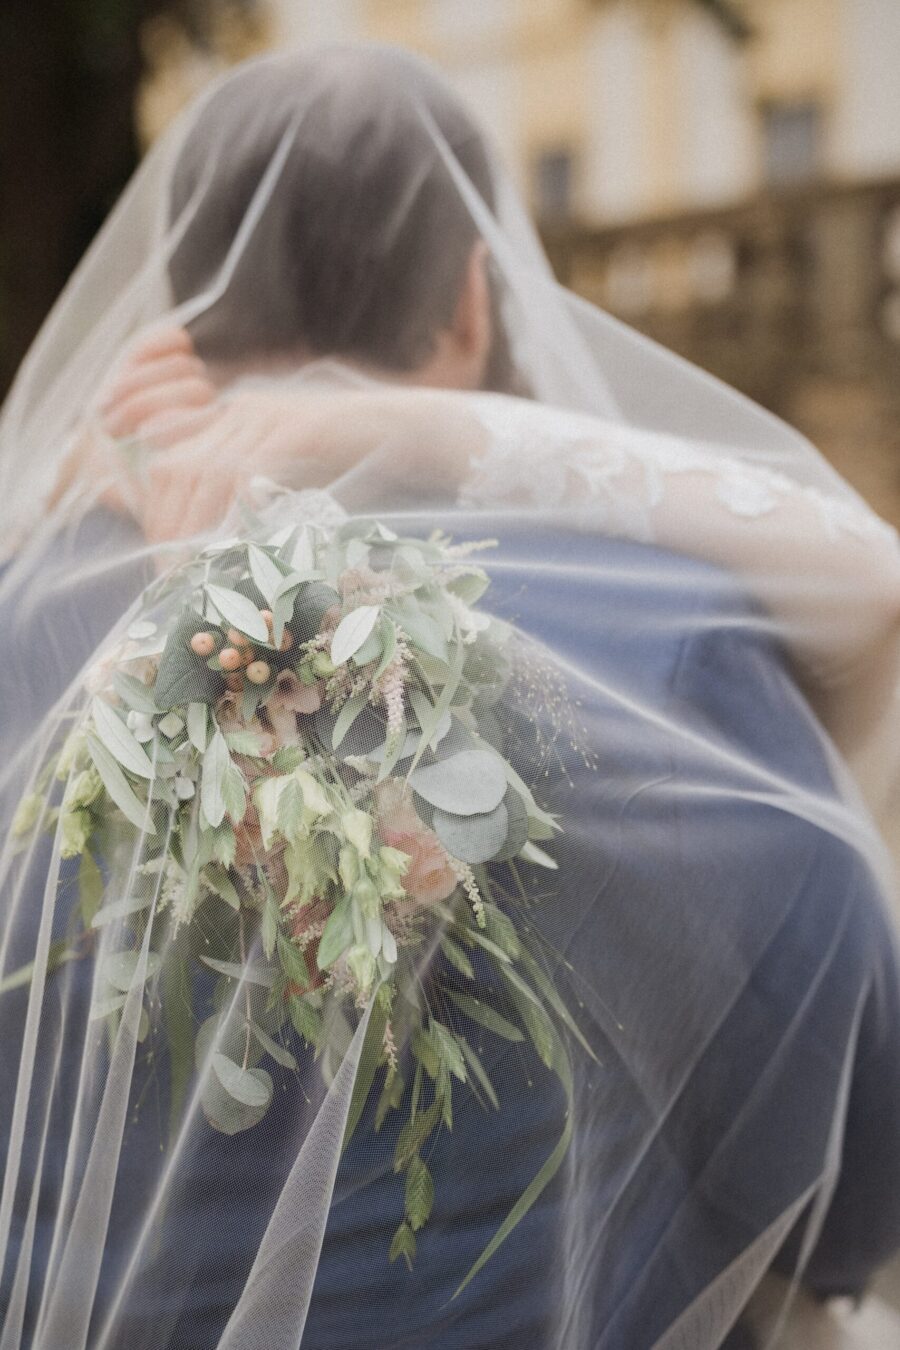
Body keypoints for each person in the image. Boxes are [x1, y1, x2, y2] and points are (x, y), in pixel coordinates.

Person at [2, 43, 900, 1349]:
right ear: (478, 294)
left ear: (177, 298)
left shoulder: (24, 625)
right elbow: (852, 1169)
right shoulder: (666, 650)